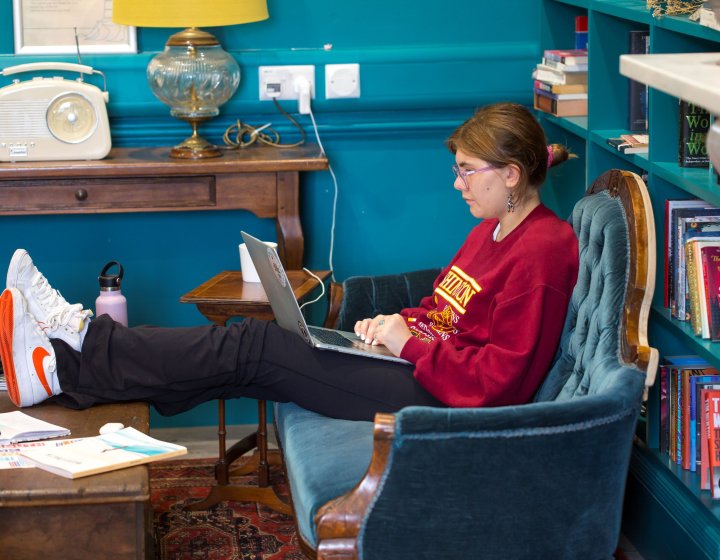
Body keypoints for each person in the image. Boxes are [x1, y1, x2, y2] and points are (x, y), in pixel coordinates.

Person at [0, 102, 579, 422]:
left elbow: (498, 386)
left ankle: (78, 343)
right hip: (414, 367)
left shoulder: (543, 253)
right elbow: (442, 305)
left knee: (255, 346)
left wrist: (410, 345)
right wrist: (390, 328)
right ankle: (65, 368)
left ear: (511, 173)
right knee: (246, 358)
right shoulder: (496, 228)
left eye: (466, 171)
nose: (457, 184)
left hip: (436, 400)